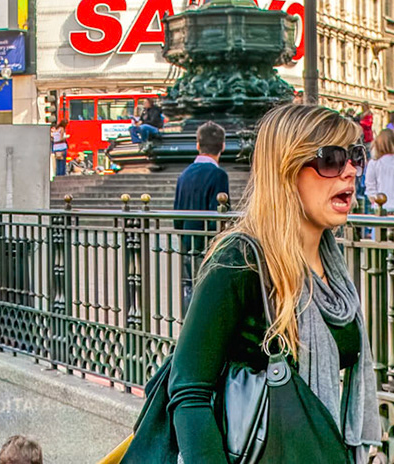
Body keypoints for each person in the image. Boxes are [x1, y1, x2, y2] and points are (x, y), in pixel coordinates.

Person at [147, 104, 380, 464]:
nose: (349, 172)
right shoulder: (238, 260)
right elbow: (189, 391)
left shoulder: (332, 268)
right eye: (331, 159)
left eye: (355, 157)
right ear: (286, 170)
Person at [174, 123, 232, 299]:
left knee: (189, 288)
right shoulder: (218, 175)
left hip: (187, 242)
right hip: (207, 246)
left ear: (198, 145)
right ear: (223, 146)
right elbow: (220, 214)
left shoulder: (184, 174)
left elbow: (177, 217)